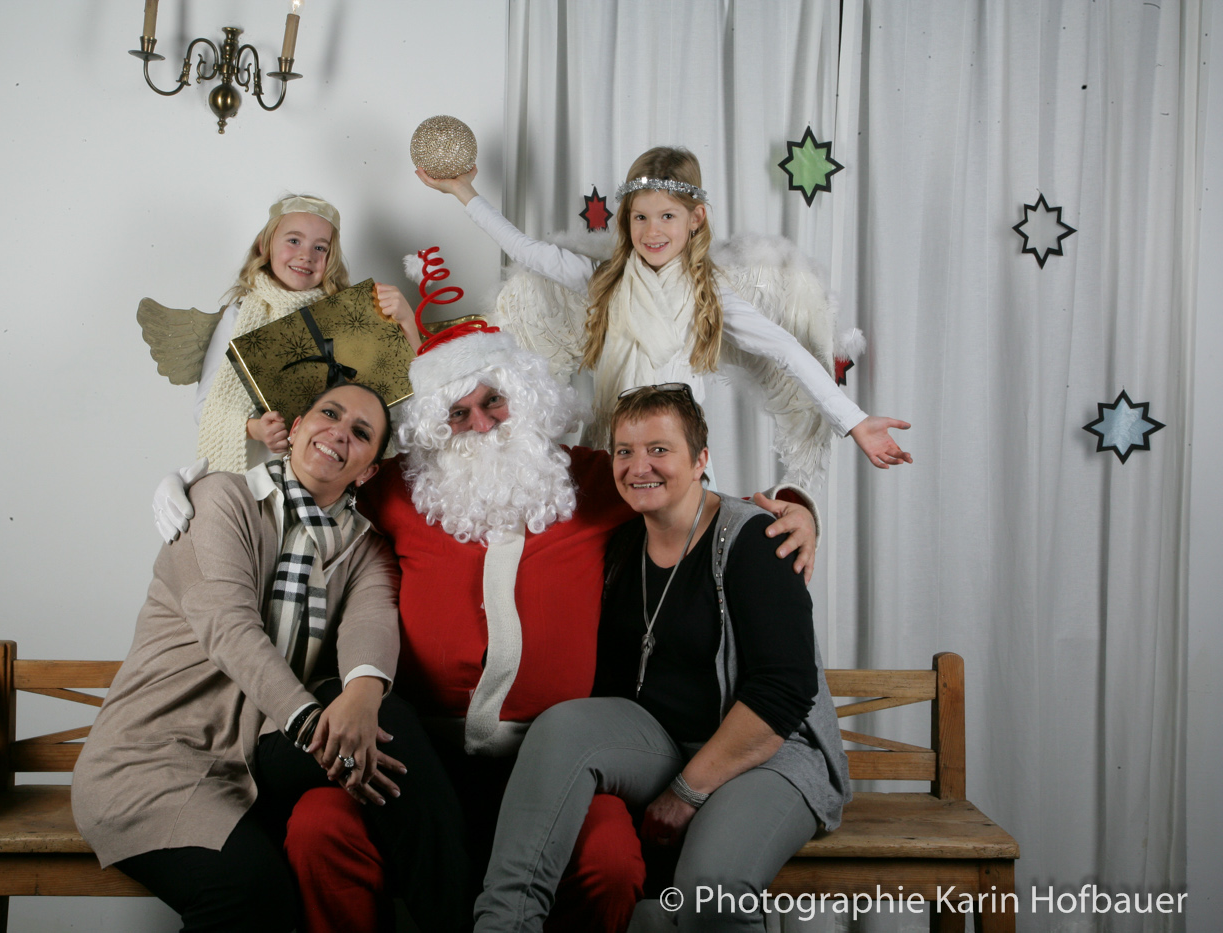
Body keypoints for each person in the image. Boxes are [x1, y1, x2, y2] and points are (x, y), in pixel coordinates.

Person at [153, 330, 820, 933]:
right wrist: (202, 479)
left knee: (612, 859)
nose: (479, 423)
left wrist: (793, 509)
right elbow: (315, 473)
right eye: (457, 411)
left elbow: (685, 495)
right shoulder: (401, 488)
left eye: (493, 401)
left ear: (524, 399)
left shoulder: (593, 478)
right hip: (418, 763)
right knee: (318, 832)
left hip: (556, 766)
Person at [73, 383, 472, 933]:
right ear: (298, 426)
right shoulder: (222, 498)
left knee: (386, 726)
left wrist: (362, 698)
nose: (338, 433)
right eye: (329, 414)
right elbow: (228, 627)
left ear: (368, 472)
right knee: (253, 896)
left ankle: (467, 924)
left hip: (255, 752)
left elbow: (371, 623)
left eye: (360, 433)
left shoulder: (364, 546)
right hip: (157, 761)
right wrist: (316, 728)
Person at [472, 384, 852, 932]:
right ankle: (504, 924)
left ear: (700, 460)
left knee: (711, 893)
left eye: (659, 449)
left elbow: (782, 695)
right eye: (624, 451)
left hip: (766, 754)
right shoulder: (622, 543)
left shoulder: (756, 540)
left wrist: (685, 792)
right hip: (662, 742)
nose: (638, 466)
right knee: (561, 727)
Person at [416, 146, 912, 488]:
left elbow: (785, 349)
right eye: (641, 217)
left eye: (667, 216)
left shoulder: (710, 295)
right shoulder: (600, 279)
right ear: (627, 220)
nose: (652, 231)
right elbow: (524, 248)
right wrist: (463, 191)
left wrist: (854, 421)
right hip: (612, 450)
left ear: (695, 219)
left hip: (677, 458)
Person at [194, 194, 420, 474]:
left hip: (331, 473)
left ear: (331, 257)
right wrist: (256, 429)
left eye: (320, 247)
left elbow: (404, 397)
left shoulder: (349, 317)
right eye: (293, 240)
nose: (306, 255)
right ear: (265, 245)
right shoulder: (239, 317)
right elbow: (205, 408)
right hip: (257, 476)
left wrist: (407, 322)